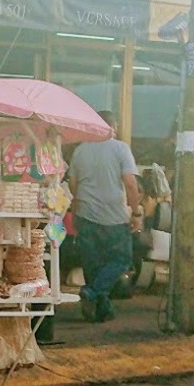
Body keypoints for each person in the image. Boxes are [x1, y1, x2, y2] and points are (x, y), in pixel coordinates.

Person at [67, 111, 141, 323]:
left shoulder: (79, 151)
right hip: (114, 217)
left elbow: (73, 185)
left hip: (86, 215)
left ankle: (103, 311)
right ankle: (92, 292)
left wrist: (77, 207)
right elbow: (130, 183)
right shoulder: (120, 148)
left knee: (94, 265)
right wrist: (135, 212)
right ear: (111, 127)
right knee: (122, 259)